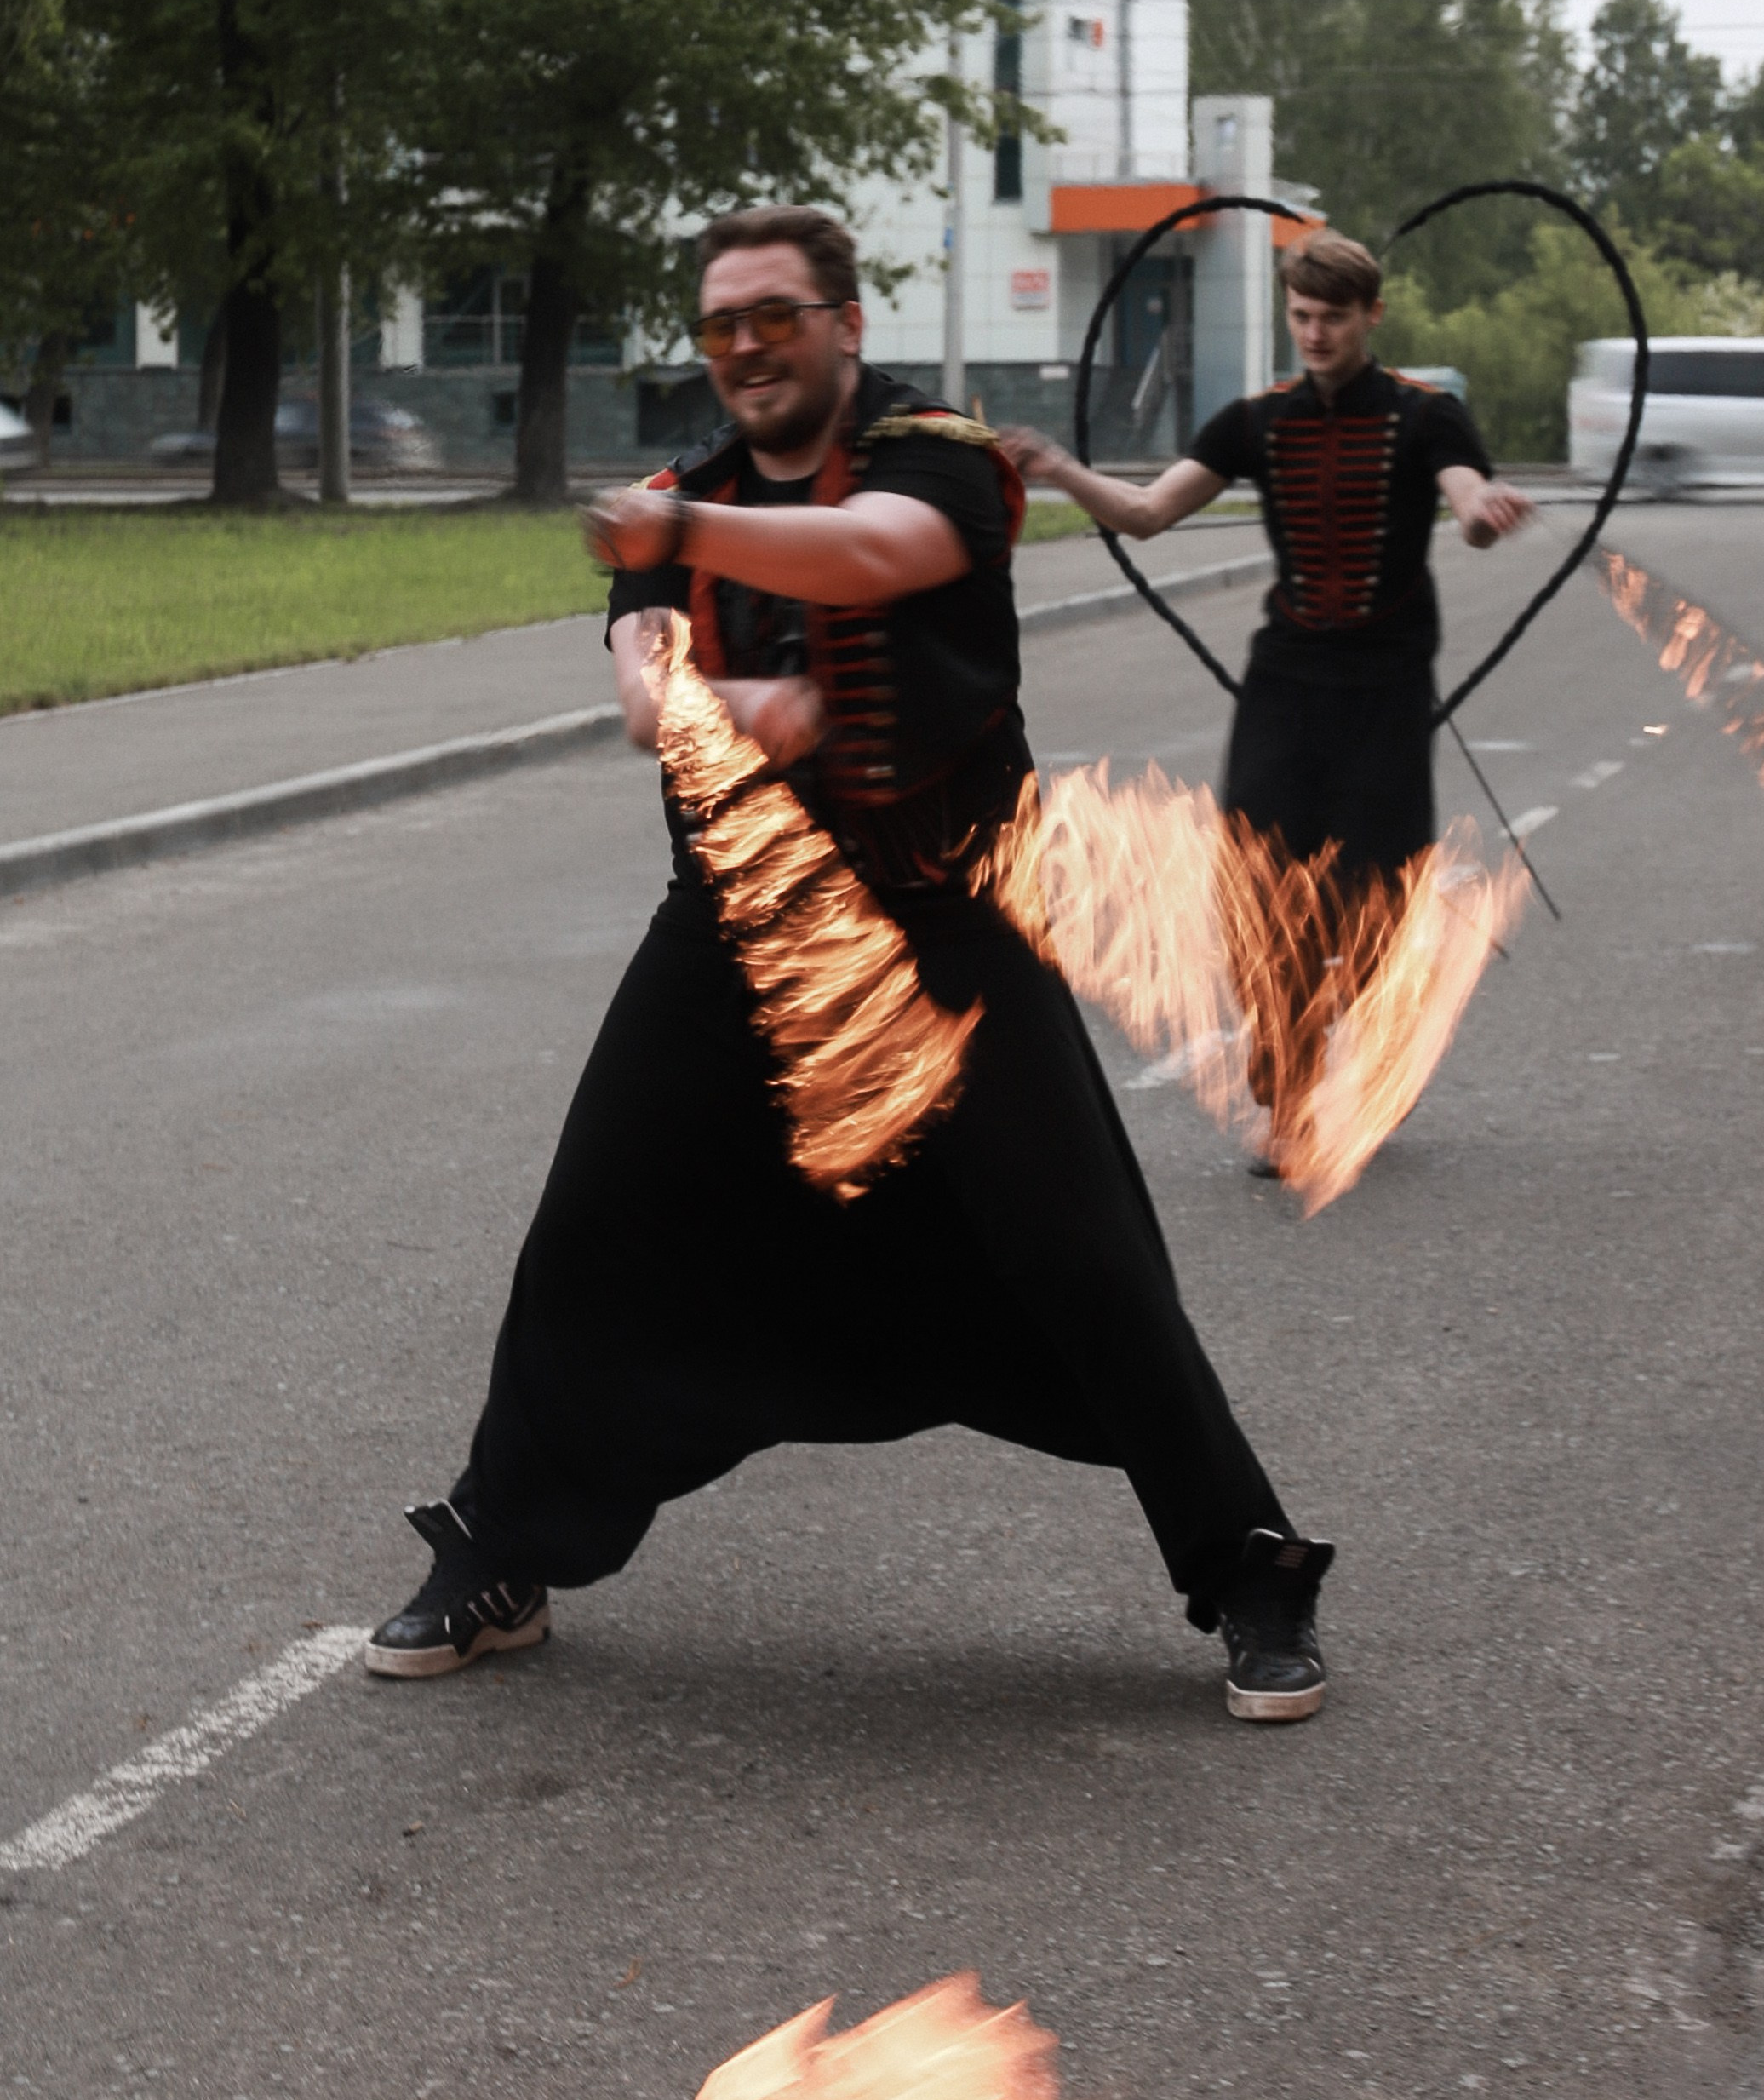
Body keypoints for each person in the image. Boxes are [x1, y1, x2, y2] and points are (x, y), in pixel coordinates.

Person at [365, 205, 1335, 1720]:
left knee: (1080, 1255)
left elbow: (881, 554)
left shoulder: (932, 454)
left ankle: (1250, 1573)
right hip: (738, 924)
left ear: (845, 325)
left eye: (775, 316)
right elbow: (643, 685)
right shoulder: (682, 490)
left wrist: (685, 549)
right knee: (592, 1232)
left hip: (945, 922)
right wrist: (703, 686)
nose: (745, 347)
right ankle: (501, 1554)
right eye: (721, 325)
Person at [999, 229, 1532, 1169]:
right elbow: (1149, 513)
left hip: (1387, 690)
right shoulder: (1255, 422)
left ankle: (1331, 1029)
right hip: (1284, 687)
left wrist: (1484, 513)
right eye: (1301, 316)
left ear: (1372, 315)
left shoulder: (1426, 416)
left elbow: (1465, 498)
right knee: (1259, 890)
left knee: (1381, 900)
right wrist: (1059, 469)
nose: (1315, 333)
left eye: (1333, 317)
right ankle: (1286, 1090)